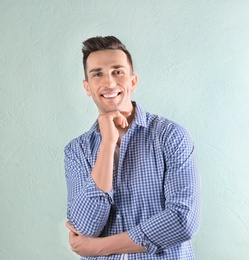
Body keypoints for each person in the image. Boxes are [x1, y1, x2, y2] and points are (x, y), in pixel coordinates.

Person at [64, 36, 201, 259]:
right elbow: (86, 227)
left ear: (133, 82)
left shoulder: (171, 136)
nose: (109, 82)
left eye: (118, 71)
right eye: (97, 74)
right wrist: (107, 145)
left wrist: (100, 247)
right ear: (87, 87)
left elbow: (182, 220)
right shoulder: (76, 151)